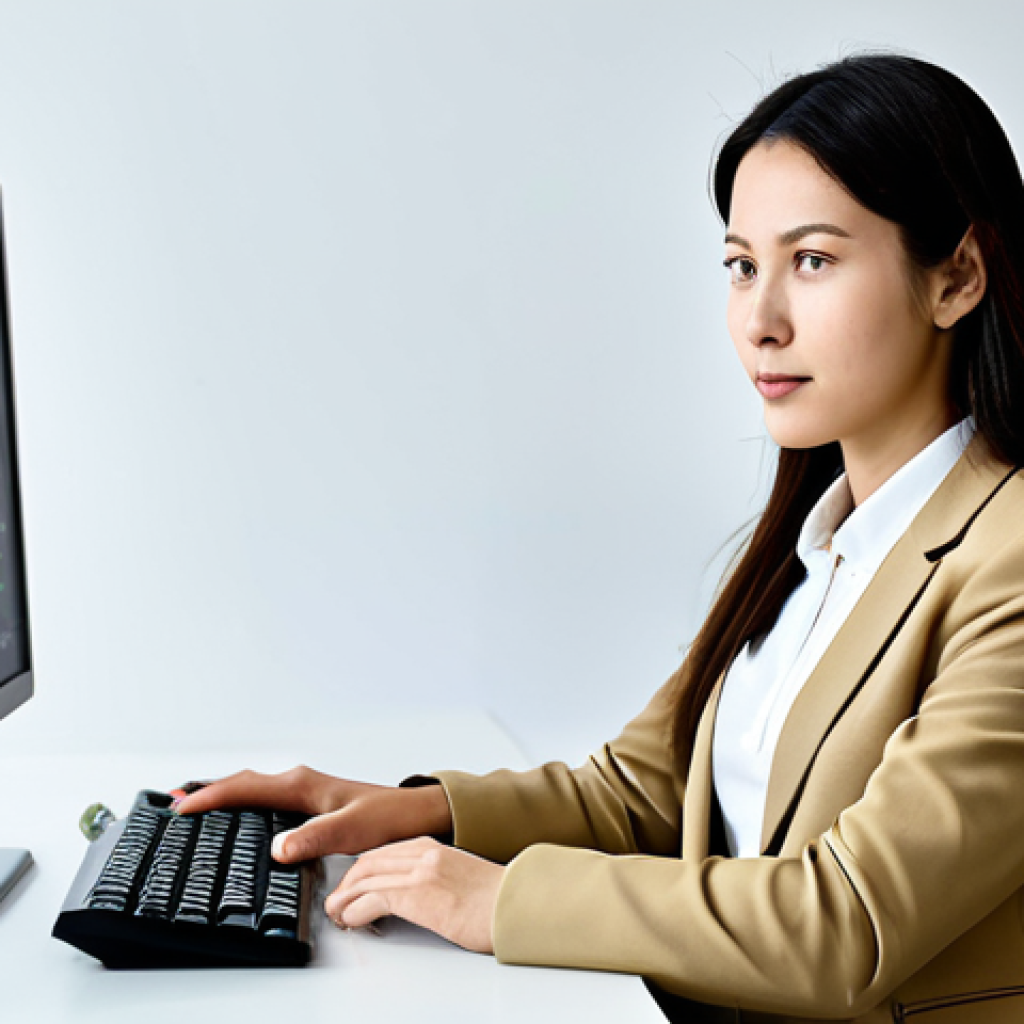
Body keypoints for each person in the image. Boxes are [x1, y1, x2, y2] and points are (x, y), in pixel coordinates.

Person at [176, 52, 1024, 1022]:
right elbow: (643, 793)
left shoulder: (1008, 556)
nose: (759, 319)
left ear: (956, 276)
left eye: (813, 261)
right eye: (741, 266)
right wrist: (406, 809)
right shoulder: (821, 537)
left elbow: (849, 922)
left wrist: (501, 901)